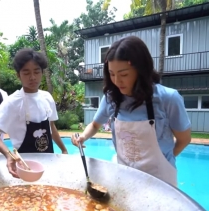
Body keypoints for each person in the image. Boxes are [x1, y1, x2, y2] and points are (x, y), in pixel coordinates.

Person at [70, 36, 192, 187]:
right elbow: (95, 125)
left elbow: (184, 139)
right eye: (112, 74)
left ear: (141, 70)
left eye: (124, 74)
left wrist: (165, 160)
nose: (117, 81)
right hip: (124, 176)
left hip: (160, 180)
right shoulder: (111, 98)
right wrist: (82, 137)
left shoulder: (168, 98)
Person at [0, 48, 68, 178]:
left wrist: (63, 149)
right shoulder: (13, 102)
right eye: (26, 72)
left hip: (48, 165)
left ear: (42, 72)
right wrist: (8, 154)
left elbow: (52, 128)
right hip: (25, 167)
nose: (33, 77)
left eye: (36, 71)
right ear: (18, 75)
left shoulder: (47, 97)